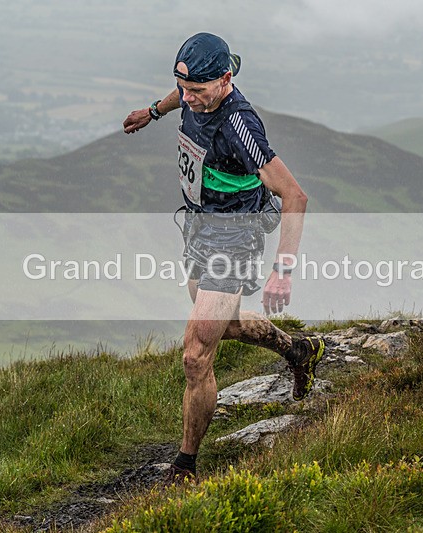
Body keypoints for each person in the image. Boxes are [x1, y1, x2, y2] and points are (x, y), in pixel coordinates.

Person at [123, 33, 324, 482]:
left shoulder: (240, 127)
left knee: (196, 352)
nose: (189, 99)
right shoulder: (195, 93)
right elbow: (182, 91)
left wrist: (282, 272)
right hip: (199, 226)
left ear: (226, 80)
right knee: (223, 324)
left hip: (235, 238)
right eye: (184, 89)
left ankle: (185, 465)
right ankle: (299, 351)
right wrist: (154, 111)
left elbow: (295, 195)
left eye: (198, 91)